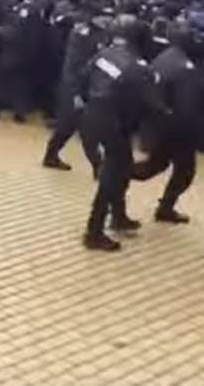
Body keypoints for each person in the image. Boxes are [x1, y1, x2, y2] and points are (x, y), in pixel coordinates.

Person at [80, 19, 166, 252]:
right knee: (112, 176)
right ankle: (94, 232)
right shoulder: (139, 68)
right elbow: (152, 105)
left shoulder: (107, 53)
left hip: (94, 114)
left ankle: (118, 216)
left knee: (123, 167)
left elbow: (84, 76)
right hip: (115, 124)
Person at [132, 24, 204, 223]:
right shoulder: (185, 68)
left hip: (156, 123)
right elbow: (187, 106)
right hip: (175, 129)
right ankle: (164, 207)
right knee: (184, 171)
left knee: (154, 166)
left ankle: (117, 173)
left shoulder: (165, 57)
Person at [42, 12, 104, 173]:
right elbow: (73, 68)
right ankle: (98, 165)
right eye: (103, 16)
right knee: (77, 127)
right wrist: (76, 93)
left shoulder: (100, 33)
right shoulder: (82, 35)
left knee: (73, 127)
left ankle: (51, 155)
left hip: (87, 88)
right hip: (74, 88)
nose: (107, 21)